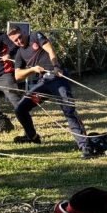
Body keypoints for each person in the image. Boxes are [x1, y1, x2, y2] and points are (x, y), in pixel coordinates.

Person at [9, 26, 91, 158]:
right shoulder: (19, 53)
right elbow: (17, 75)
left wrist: (56, 66)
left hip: (57, 78)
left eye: (20, 37)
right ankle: (32, 137)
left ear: (24, 33)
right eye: (15, 41)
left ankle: (85, 147)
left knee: (69, 110)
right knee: (20, 109)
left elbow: (50, 49)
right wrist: (32, 70)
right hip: (43, 85)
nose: (19, 41)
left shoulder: (35, 36)